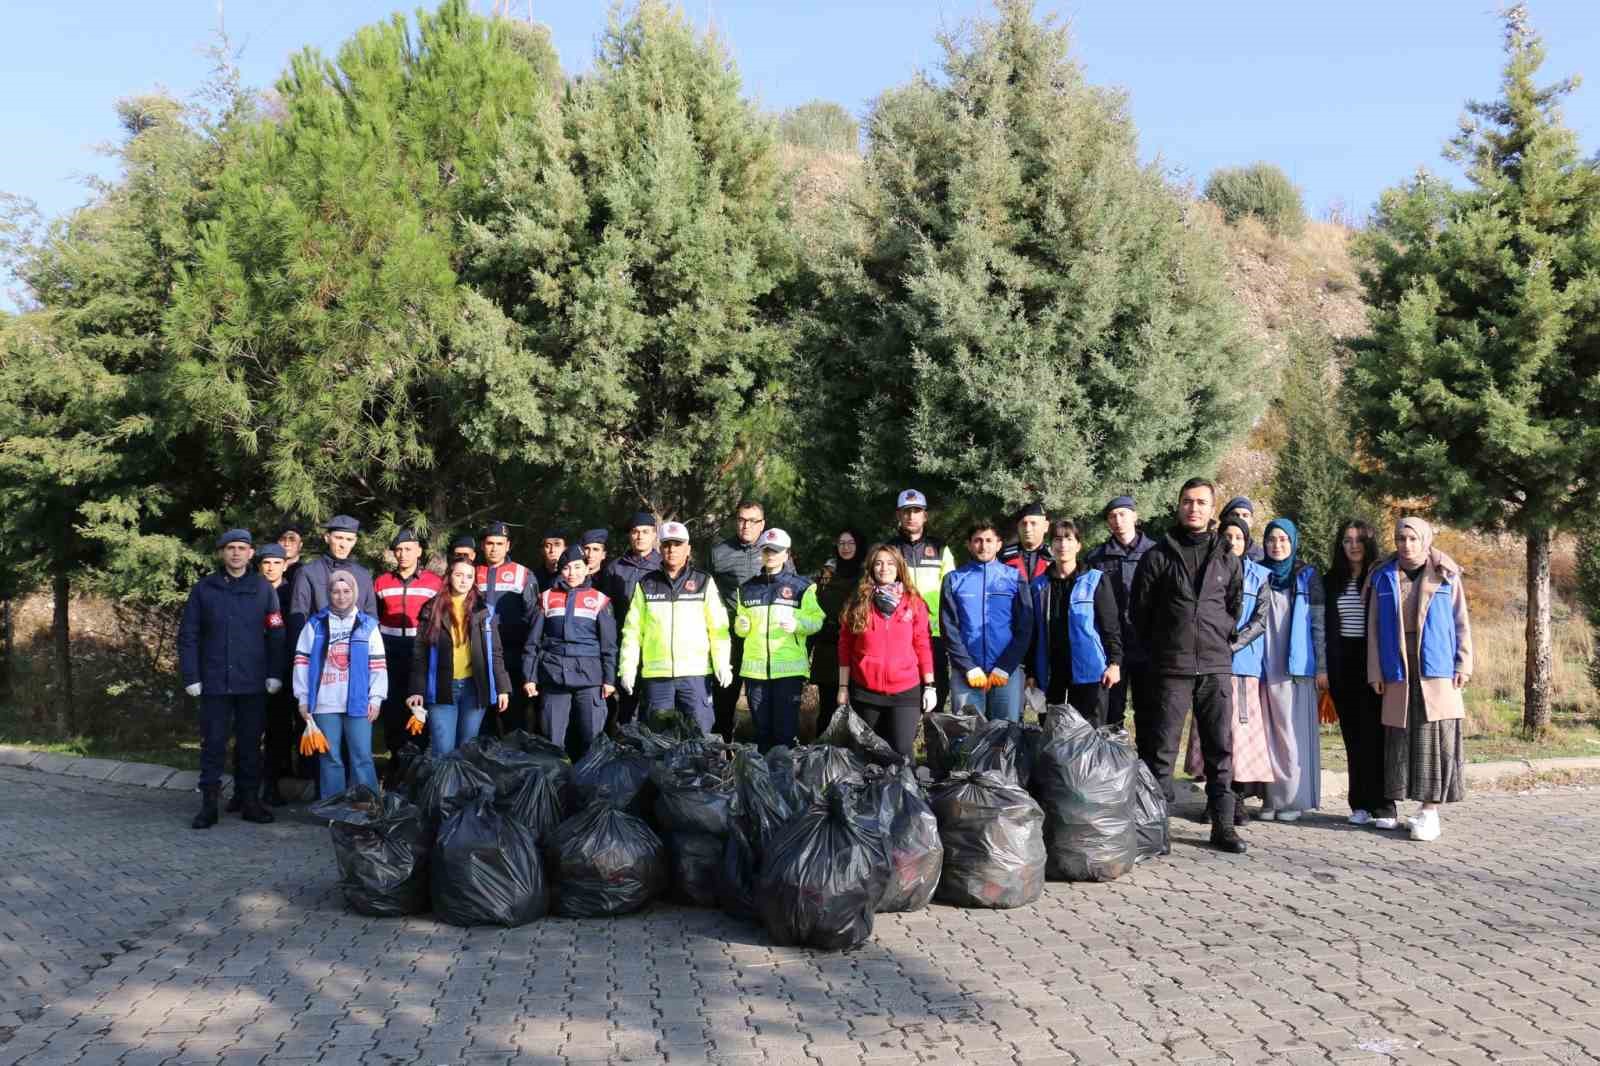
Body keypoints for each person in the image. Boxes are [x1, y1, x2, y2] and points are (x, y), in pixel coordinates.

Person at [1130, 478, 1247, 853]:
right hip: (1171, 667)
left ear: (1213, 509)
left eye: (1201, 502)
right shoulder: (1158, 555)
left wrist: (1218, 634)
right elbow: (1140, 612)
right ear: (1178, 506)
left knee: (1219, 749)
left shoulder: (1228, 556)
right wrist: (1164, 647)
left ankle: (1223, 826)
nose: (1193, 508)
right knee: (1160, 752)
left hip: (1214, 666)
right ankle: (1155, 831)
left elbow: (1234, 606)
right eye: (1187, 501)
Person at [1367, 517, 1472, 842]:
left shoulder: (1445, 573)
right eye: (1401, 538)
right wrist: (1375, 671)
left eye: (1413, 538)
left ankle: (1430, 811)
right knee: (1402, 739)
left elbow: (1461, 622)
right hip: (1397, 668)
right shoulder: (1382, 576)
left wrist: (1464, 663)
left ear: (1425, 541)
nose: (1406, 544)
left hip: (1436, 668)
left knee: (1433, 739)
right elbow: (1372, 629)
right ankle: (1414, 806)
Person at [178, 529, 287, 829]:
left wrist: (275, 673)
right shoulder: (204, 589)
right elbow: (188, 635)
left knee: (251, 744)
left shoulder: (264, 589)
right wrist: (191, 675)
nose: (236, 553)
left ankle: (250, 801)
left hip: (252, 682)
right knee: (213, 744)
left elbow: (277, 635)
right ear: (222, 553)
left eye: (242, 548)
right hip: (214, 682)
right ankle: (208, 805)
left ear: (251, 553)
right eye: (230, 548)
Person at [618, 521, 733, 736]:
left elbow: (718, 629)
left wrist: (722, 663)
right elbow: (632, 632)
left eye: (677, 544)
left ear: (688, 548)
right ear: (660, 548)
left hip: (695, 676)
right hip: (657, 677)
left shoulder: (703, 581)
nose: (672, 550)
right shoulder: (646, 584)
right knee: (658, 740)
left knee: (700, 737)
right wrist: (627, 667)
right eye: (667, 544)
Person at [292, 570, 387, 800]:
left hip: (358, 703)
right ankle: (333, 807)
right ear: (329, 593)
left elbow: (378, 665)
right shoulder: (315, 624)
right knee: (330, 757)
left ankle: (366, 806)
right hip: (324, 702)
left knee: (361, 756)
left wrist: (376, 698)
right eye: (335, 591)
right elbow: (302, 662)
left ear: (354, 592)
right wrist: (303, 697)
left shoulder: (367, 625)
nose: (341, 596)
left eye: (346, 591)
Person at [1255, 518, 1327, 823]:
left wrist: (1322, 667)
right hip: (1262, 664)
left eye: (1284, 539)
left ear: (1294, 541)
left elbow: (1319, 626)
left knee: (1292, 733)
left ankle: (1293, 799)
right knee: (1268, 734)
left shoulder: (1306, 576)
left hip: (1297, 667)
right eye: (1272, 539)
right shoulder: (1257, 574)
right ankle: (1271, 798)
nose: (1277, 545)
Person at [836, 544, 936, 758]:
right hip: (865, 690)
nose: (884, 568)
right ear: (871, 568)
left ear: (899, 567)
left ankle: (903, 792)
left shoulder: (914, 603)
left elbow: (923, 645)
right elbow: (845, 646)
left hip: (905, 690)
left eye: (890, 563)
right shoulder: (858, 602)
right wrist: (843, 687)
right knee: (867, 752)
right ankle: (870, 791)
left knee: (901, 752)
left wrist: (930, 686)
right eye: (879, 563)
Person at [406, 559, 511, 756]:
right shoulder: (431, 608)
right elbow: (420, 653)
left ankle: (463, 788)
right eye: (459, 575)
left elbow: (495, 652)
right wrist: (416, 689)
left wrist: (502, 687)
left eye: (469, 576)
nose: (464, 580)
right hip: (442, 688)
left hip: (474, 688)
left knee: (467, 750)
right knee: (443, 750)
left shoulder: (484, 610)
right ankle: (442, 787)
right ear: (449, 576)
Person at [1025, 519, 1123, 726]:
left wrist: (1114, 663)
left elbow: (1111, 626)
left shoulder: (1095, 580)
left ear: (1078, 545)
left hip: (1090, 669)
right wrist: (1031, 672)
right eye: (1057, 539)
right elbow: (1032, 633)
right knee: (1051, 731)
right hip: (1050, 672)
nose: (1063, 545)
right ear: (1051, 546)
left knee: (1089, 732)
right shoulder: (1038, 586)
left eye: (1069, 539)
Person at [732, 529, 823, 751]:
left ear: (786, 554)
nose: (770, 555)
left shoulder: (802, 587)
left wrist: (799, 626)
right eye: (766, 550)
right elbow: (740, 626)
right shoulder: (747, 588)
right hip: (755, 672)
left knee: (784, 731)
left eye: (776, 551)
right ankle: (763, 782)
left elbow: (817, 620)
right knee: (761, 731)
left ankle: (784, 779)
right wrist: (740, 627)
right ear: (761, 553)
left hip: (788, 672)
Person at [522, 547, 617, 759]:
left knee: (592, 739)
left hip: (590, 678)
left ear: (587, 568)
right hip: (554, 675)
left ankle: (591, 787)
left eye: (577, 567)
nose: (572, 573)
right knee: (552, 740)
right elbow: (532, 642)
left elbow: (609, 645)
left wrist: (610, 679)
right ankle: (556, 787)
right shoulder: (546, 598)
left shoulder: (600, 600)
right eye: (566, 568)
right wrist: (529, 676)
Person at [1326, 519, 1390, 827]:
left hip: (1373, 664)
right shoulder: (1332, 580)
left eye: (1359, 540)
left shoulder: (1380, 577)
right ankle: (1360, 803)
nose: (1353, 545)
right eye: (1347, 540)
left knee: (1377, 735)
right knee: (1353, 738)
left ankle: (1384, 804)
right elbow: (1326, 628)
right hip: (1343, 666)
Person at [940, 521, 1035, 723]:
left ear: (999, 544)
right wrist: (967, 667)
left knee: (1005, 733)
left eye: (989, 540)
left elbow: (1024, 627)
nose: (983, 546)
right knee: (967, 735)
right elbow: (949, 628)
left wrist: (1006, 665)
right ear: (969, 544)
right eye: (978, 541)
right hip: (966, 672)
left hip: (1006, 672)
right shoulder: (954, 579)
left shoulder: (1014, 578)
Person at [1215, 516, 1274, 824]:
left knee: (1240, 734)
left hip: (1242, 665)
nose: (1232, 542)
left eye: (1238, 537)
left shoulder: (1259, 576)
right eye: (1227, 536)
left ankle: (1236, 799)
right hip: (1212, 663)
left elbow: (1261, 621)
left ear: (1246, 542)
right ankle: (1216, 798)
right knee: (1214, 732)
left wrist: (1233, 645)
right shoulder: (1209, 572)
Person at [373, 530, 443, 783]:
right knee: (392, 712)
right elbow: (375, 617)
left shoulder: (434, 582)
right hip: (390, 653)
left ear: (419, 551)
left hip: (420, 652)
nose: (403, 554)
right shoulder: (381, 582)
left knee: (418, 710)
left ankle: (417, 766)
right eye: (398, 549)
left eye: (408, 549)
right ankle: (394, 764)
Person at [1085, 495, 1159, 732]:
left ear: (1135, 517)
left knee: (1148, 709)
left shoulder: (1156, 552)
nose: (1118, 520)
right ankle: (1112, 762)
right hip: (1111, 645)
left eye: (1123, 514)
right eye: (1112, 516)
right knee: (1111, 709)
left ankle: (1148, 765)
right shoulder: (1096, 558)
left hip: (1147, 643)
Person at [888, 490, 957, 712]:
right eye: (906, 511)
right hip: (900, 636)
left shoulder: (940, 548)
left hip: (934, 635)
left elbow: (952, 592)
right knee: (903, 700)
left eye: (916, 511)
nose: (911, 516)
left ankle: (935, 746)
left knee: (936, 697)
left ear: (925, 516)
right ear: (898, 515)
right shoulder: (889, 549)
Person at [710, 500, 773, 739]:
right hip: (730, 637)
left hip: (763, 638)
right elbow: (708, 593)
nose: (746, 525)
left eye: (753, 521)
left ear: (762, 524)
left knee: (762, 702)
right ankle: (722, 753)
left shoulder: (773, 550)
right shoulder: (719, 552)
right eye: (741, 519)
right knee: (724, 699)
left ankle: (764, 754)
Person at [473, 520, 534, 734]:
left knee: (512, 714)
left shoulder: (522, 574)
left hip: (511, 654)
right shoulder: (471, 572)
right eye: (490, 543)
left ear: (508, 546)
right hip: (478, 653)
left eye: (500, 543)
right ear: (482, 545)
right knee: (482, 717)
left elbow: (532, 616)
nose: (494, 548)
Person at [604, 513, 662, 726]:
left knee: (654, 703)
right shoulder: (615, 567)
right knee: (625, 702)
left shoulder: (662, 565)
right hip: (625, 643)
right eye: (635, 532)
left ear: (654, 535)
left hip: (656, 645)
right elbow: (606, 610)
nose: (640, 536)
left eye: (645, 532)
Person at [809, 527, 865, 738]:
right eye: (841, 543)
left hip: (857, 649)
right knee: (828, 709)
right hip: (828, 649)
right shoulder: (826, 575)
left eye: (850, 543)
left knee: (858, 710)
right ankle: (823, 759)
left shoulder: (866, 576)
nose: (846, 547)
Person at [288, 515, 377, 646]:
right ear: (327, 538)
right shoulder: (307, 573)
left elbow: (371, 617)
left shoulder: (363, 575)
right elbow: (298, 619)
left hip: (356, 651)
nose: (343, 544)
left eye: (349, 539)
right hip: (318, 650)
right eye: (338, 538)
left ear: (355, 541)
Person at [255, 542, 299, 807]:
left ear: (285, 565)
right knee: (249, 731)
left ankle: (272, 784)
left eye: (276, 563)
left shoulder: (292, 594)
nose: (271, 568)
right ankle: (246, 786)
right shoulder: (251, 591)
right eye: (266, 563)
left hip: (284, 669)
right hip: (252, 670)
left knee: (279, 730)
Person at [999, 502, 1053, 581]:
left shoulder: (1054, 557)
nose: (1027, 529)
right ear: (1018, 527)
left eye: (1033, 523)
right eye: (1024, 524)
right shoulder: (1003, 556)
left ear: (1045, 526)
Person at [1222, 496, 1266, 562]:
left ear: (1251, 521)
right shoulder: (1214, 549)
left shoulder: (1260, 557)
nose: (1240, 519)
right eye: (1235, 515)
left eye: (1245, 515)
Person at [534, 529, 567, 593]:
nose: (552, 550)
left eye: (557, 545)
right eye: (547, 546)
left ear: (565, 548)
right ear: (542, 550)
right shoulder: (533, 577)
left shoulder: (571, 576)